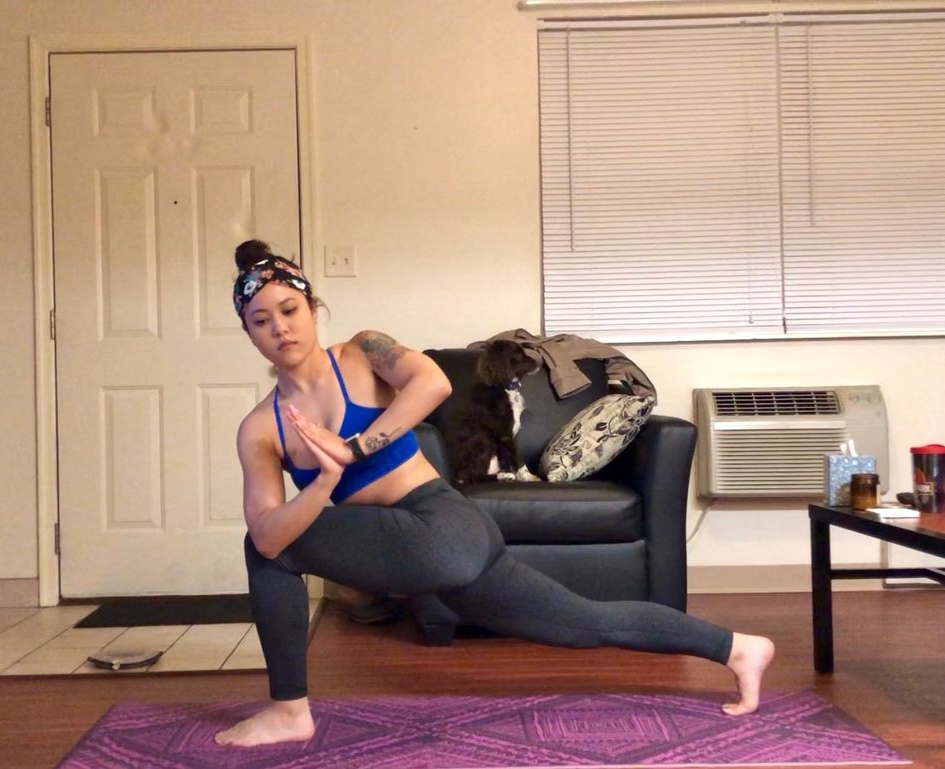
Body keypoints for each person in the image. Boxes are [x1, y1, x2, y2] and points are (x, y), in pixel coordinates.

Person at [214, 240, 775, 748]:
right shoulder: (260, 429)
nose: (280, 328)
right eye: (261, 320)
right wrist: (324, 483)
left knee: (270, 550)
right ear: (248, 333)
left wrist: (354, 449)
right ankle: (739, 647)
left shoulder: (362, 354)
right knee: (582, 622)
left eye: (289, 310)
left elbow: (432, 382)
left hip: (442, 527)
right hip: (434, 550)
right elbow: (268, 533)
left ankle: (289, 711)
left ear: (312, 310)